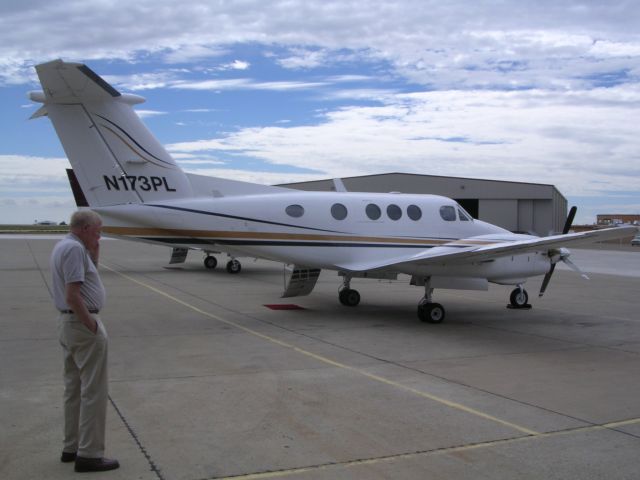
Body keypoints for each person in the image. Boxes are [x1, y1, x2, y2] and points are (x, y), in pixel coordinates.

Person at [50, 210, 119, 473]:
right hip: (81, 324)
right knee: (94, 391)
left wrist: (95, 253)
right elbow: (73, 295)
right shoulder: (73, 250)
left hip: (70, 325)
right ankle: (90, 454)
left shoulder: (66, 246)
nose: (100, 235)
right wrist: (90, 325)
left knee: (74, 388)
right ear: (86, 227)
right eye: (98, 230)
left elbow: (87, 281)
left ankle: (72, 446)